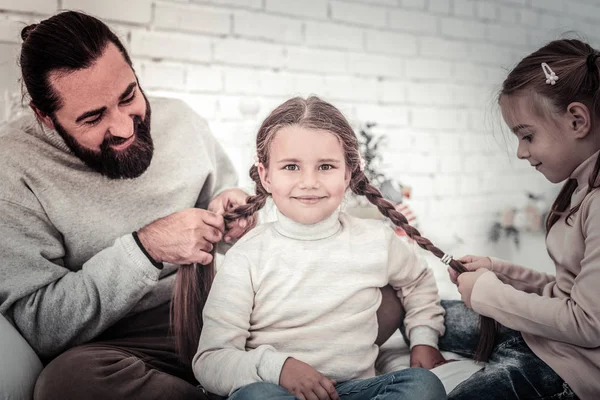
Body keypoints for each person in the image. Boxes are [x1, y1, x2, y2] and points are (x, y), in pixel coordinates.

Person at [0, 11, 254, 400]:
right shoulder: (13, 169)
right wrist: (146, 249)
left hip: (222, 310)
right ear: (44, 116)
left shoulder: (183, 121)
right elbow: (39, 324)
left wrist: (235, 211)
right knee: (67, 384)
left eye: (128, 96)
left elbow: (226, 200)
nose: (123, 127)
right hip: (127, 343)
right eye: (92, 117)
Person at [185, 96, 454, 400]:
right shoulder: (247, 256)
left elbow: (418, 281)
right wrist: (279, 368)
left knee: (423, 385)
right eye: (291, 167)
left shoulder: (376, 240)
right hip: (277, 390)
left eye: (325, 166)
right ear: (266, 176)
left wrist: (424, 340)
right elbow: (211, 360)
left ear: (347, 174)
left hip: (354, 390)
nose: (309, 182)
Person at [440, 38, 600, 400]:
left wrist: (488, 294)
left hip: (570, 365)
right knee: (432, 317)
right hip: (547, 337)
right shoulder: (581, 189)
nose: (521, 152)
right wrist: (499, 272)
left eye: (527, 135)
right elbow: (568, 293)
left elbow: (587, 324)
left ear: (577, 120)